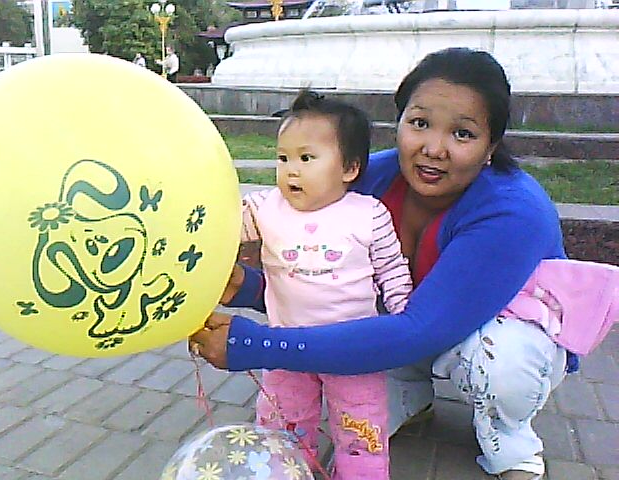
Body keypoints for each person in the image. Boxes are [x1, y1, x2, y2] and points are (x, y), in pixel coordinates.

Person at [190, 48, 587, 480]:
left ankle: (509, 435)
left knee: (502, 360)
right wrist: (248, 286)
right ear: (398, 123)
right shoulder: (367, 179)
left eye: (463, 134)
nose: (433, 149)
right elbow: (328, 281)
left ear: (491, 146)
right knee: (353, 407)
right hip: (408, 324)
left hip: (496, 328)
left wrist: (258, 345)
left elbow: (422, 328)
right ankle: (410, 389)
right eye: (420, 123)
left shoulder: (512, 211)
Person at [225, 90, 413, 479]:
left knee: (361, 431)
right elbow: (225, 231)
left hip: (354, 352)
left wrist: (404, 317)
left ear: (349, 168)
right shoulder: (264, 208)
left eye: (306, 158)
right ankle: (288, 471)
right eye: (283, 158)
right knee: (282, 428)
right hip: (286, 349)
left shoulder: (369, 214)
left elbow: (393, 270)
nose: (291, 171)